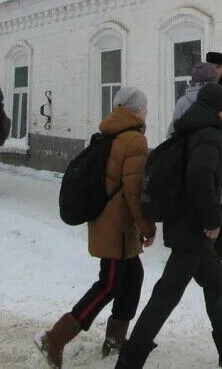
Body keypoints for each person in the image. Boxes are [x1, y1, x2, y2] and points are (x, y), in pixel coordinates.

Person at [116, 84, 222, 368]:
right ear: (220, 109)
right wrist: (212, 220)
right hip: (192, 229)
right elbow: (199, 175)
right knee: (166, 295)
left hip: (184, 224)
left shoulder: (191, 128)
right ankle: (130, 360)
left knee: (217, 280)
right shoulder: (208, 135)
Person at [36, 87, 156, 368]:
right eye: (145, 106)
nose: (147, 111)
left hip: (108, 222)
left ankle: (115, 341)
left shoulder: (109, 134)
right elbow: (134, 191)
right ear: (134, 110)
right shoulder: (134, 140)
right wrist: (147, 226)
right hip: (116, 228)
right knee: (109, 284)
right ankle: (55, 338)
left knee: (133, 276)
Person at [172, 63, 222, 261]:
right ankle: (215, 258)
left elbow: (173, 134)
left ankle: (200, 255)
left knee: (198, 204)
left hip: (194, 160)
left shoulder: (183, 102)